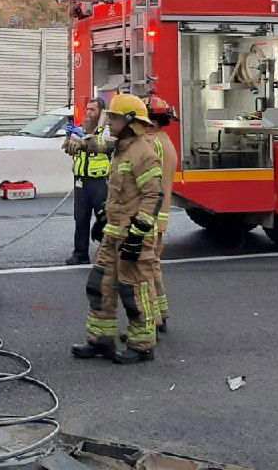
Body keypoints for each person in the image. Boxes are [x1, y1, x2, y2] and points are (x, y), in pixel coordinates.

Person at [70, 94, 164, 364]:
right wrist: (79, 143)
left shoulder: (144, 153)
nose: (108, 121)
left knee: (134, 292)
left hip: (133, 238)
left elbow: (152, 197)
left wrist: (139, 232)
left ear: (130, 122)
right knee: (100, 286)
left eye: (114, 117)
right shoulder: (121, 147)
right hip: (113, 234)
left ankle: (142, 345)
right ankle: (101, 340)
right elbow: (100, 143)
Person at [143, 94, 179, 334]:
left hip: (148, 219)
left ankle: (151, 320)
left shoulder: (151, 144)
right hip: (159, 219)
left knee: (143, 272)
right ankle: (162, 314)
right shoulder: (166, 142)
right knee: (154, 268)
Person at [62, 98, 112, 265]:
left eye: (93, 110)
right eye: (88, 109)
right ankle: (80, 254)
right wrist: (69, 139)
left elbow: (104, 145)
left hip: (99, 181)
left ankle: (107, 255)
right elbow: (68, 148)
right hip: (81, 181)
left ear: (101, 112)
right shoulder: (81, 128)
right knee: (80, 218)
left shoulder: (107, 131)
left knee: (104, 218)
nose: (89, 112)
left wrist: (84, 142)